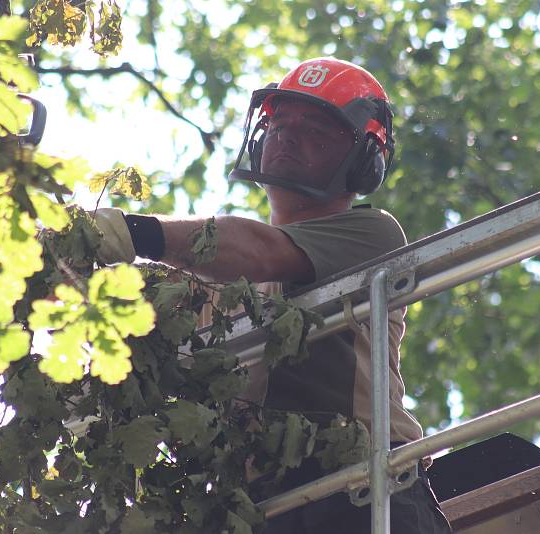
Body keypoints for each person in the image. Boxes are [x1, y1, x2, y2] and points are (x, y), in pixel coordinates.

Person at [93, 57, 452, 534]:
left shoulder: (372, 235)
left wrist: (131, 232)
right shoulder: (215, 280)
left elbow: (258, 249)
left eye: (316, 133)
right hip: (256, 507)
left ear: (362, 162)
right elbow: (125, 310)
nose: (287, 137)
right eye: (280, 124)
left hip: (360, 490)